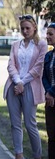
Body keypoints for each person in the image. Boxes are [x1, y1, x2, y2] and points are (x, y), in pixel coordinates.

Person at [4, 15, 47, 159]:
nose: (25, 31)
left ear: (34, 28)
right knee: (15, 124)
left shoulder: (41, 44)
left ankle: (37, 155)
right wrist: (17, 81)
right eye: (22, 28)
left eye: (27, 28)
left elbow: (38, 68)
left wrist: (23, 82)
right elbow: (10, 65)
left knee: (30, 125)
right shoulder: (16, 44)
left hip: (30, 87)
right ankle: (18, 154)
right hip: (14, 86)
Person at [43, 23, 55, 159]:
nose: (47, 37)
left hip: (52, 95)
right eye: (47, 34)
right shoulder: (48, 56)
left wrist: (51, 92)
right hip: (50, 101)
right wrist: (48, 92)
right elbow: (44, 77)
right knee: (51, 136)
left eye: (50, 34)